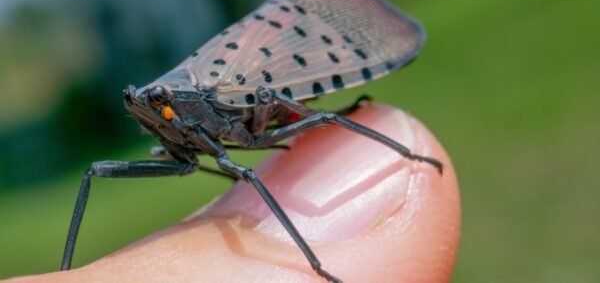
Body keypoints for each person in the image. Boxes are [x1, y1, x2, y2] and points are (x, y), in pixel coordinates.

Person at [7, 104, 460, 282]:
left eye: (162, 112)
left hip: (255, 115)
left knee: (328, 121)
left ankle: (315, 263)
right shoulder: (173, 131)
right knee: (95, 171)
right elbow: (189, 159)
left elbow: (237, 159)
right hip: (221, 137)